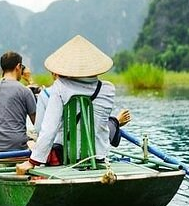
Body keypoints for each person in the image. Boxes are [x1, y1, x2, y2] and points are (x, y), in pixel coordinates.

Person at [16, 35, 123, 174]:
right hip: (99, 156)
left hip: (68, 157)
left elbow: (49, 129)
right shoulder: (109, 89)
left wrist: (32, 161)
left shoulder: (60, 88)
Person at [0, 51, 37, 151]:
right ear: (19, 66)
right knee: (34, 138)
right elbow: (37, 123)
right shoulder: (25, 91)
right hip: (15, 144)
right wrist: (30, 80)